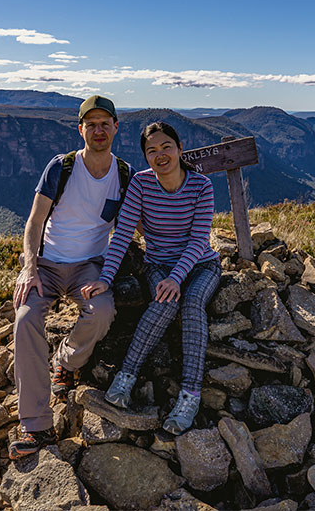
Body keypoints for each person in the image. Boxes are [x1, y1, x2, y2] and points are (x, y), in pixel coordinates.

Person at [8, 95, 134, 460]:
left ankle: (65, 361)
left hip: (88, 266)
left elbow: (132, 224)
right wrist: (28, 268)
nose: (98, 130)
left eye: (104, 123)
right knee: (26, 318)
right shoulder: (61, 167)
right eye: (90, 124)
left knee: (102, 311)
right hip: (46, 263)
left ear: (114, 128)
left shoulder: (123, 174)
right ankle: (35, 424)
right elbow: (34, 221)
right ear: (81, 129)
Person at [82, 121, 221, 435]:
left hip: (201, 266)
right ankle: (125, 379)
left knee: (192, 303)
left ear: (180, 149)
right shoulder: (141, 185)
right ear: (145, 156)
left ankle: (189, 397)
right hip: (158, 264)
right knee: (163, 303)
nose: (160, 155)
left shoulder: (201, 186)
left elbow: (200, 240)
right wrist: (107, 277)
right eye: (152, 150)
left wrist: (177, 277)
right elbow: (123, 234)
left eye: (166, 147)